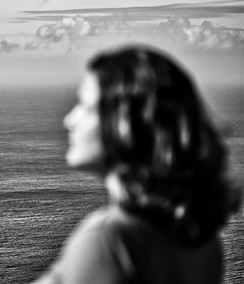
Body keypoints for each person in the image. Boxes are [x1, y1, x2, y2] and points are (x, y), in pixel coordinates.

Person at [33, 45, 241, 284]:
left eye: (86, 106)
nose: (69, 120)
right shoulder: (202, 240)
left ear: (125, 124)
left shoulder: (108, 239)